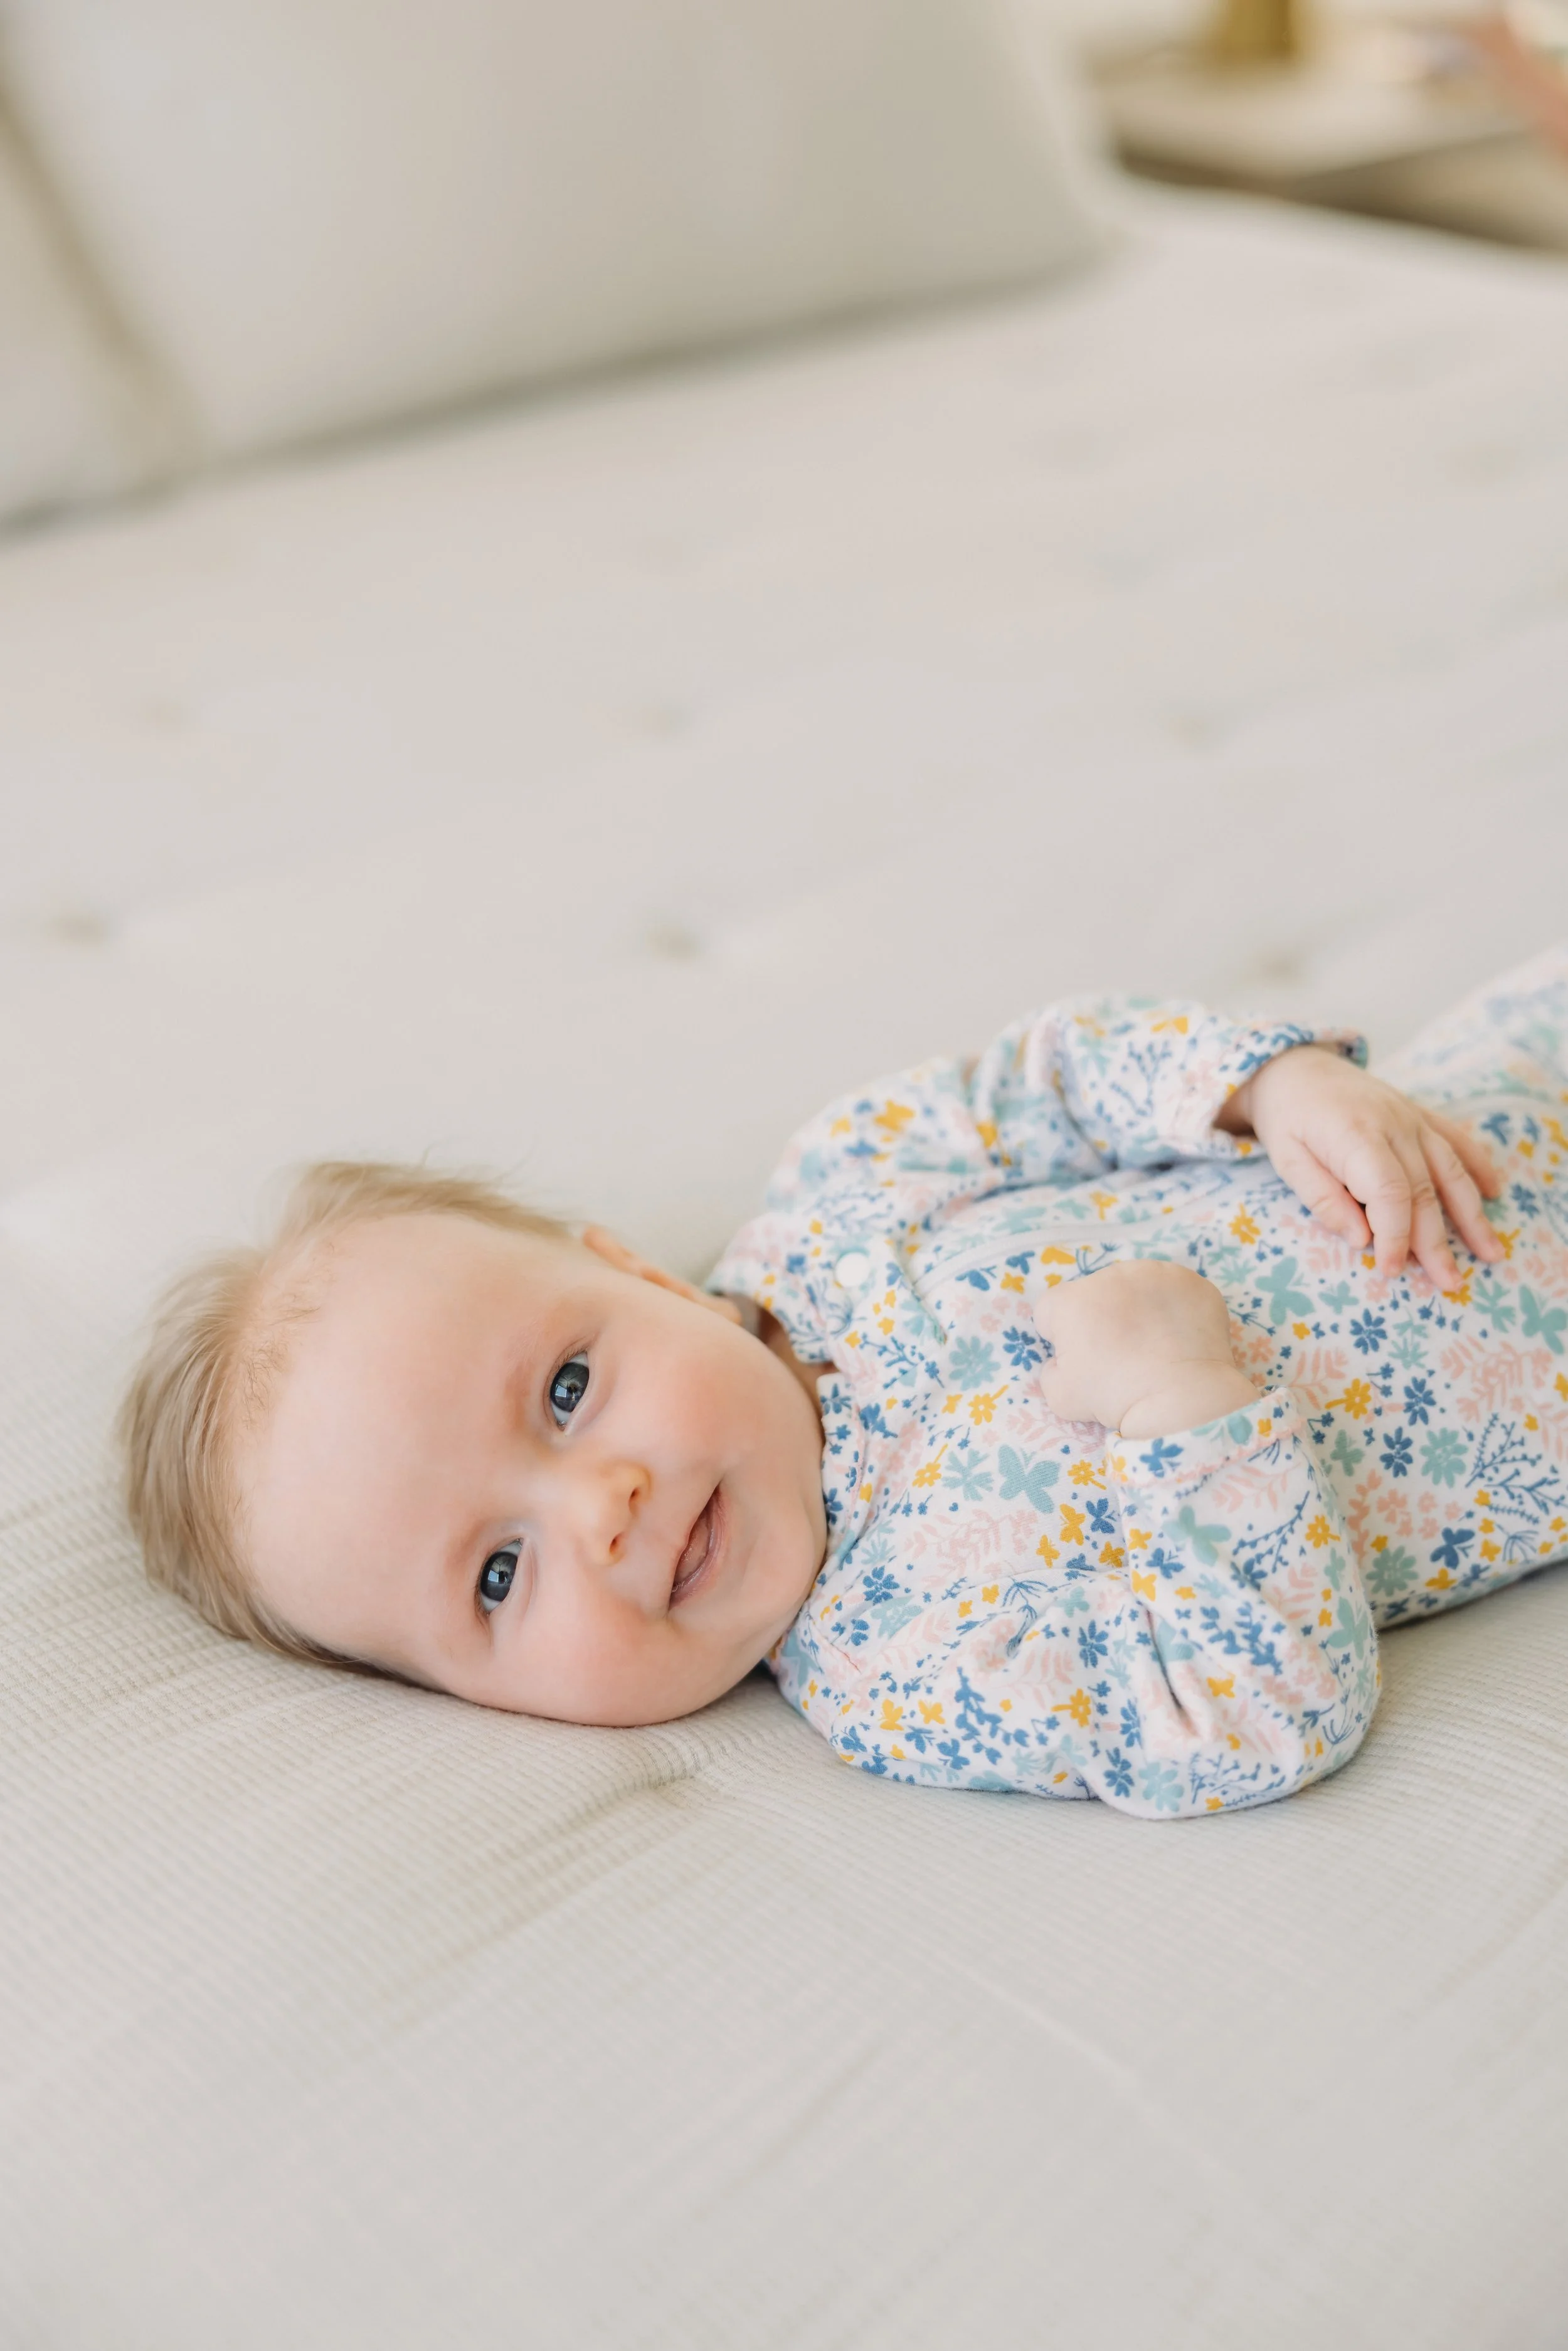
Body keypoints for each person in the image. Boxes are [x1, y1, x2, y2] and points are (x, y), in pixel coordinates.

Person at [120, 945, 1568, 1818]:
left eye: (565, 1390)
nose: (602, 1509)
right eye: (498, 1578)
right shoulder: (909, 1668)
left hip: (1488, 1092)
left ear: (646, 1276)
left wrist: (1267, 1084)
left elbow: (1046, 1080)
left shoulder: (839, 1195)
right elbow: (1245, 1719)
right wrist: (1191, 1408)